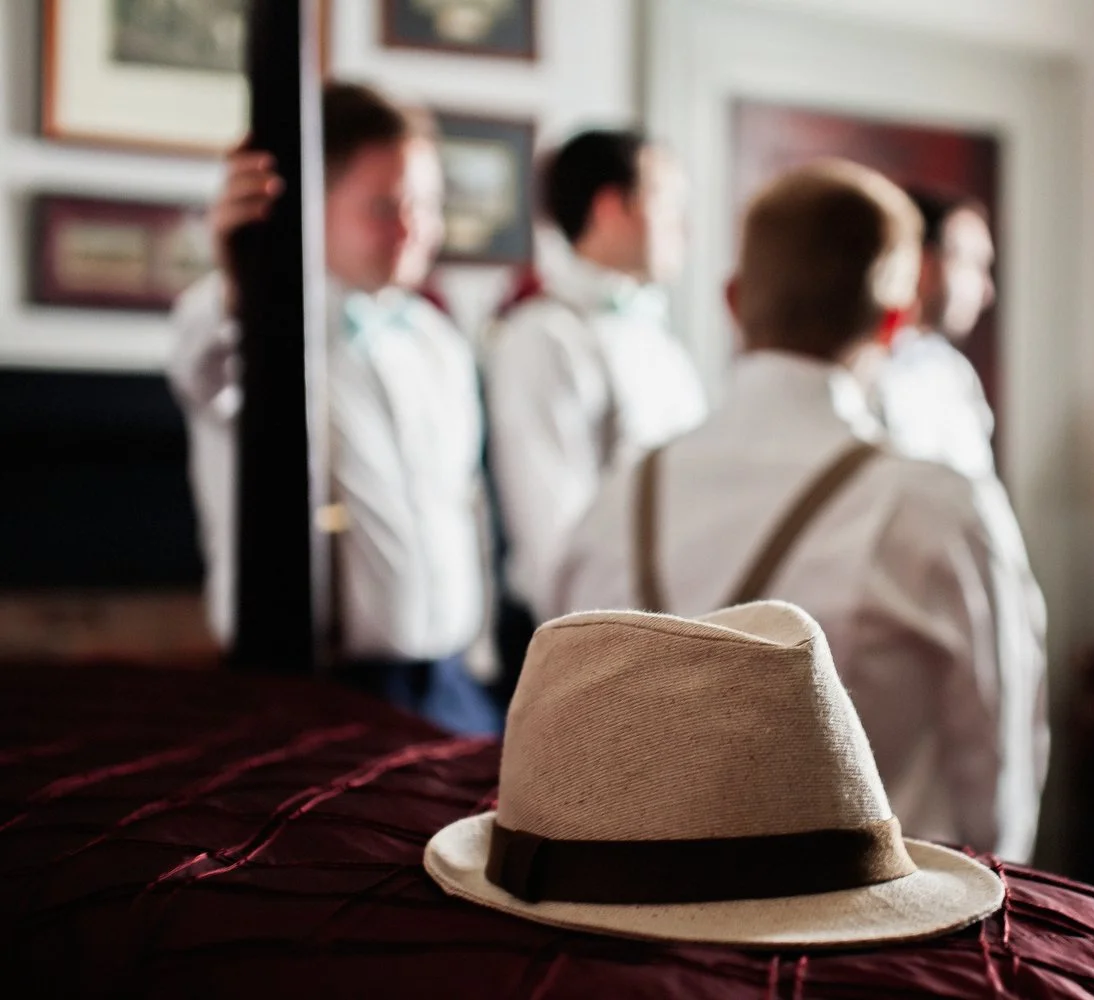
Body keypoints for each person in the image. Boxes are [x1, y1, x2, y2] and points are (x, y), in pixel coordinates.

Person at [549, 161, 1049, 861]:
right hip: (870, 941)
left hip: (637, 926)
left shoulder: (620, 495)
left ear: (733, 299)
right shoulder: (941, 511)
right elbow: (997, 761)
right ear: (895, 319)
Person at [167, 82, 499, 735]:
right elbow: (205, 370)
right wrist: (246, 281)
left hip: (454, 685)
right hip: (323, 693)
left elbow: (464, 502)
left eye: (426, 206)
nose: (412, 230)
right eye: (383, 206)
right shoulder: (243, 323)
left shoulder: (437, 339)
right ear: (309, 207)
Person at [483, 129, 707, 615]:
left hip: (675, 620)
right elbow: (550, 531)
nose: (684, 229)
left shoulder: (661, 341)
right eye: (669, 204)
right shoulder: (543, 337)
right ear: (611, 207)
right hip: (592, 631)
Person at [868, 188, 997, 480]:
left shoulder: (953, 373)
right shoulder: (865, 376)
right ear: (923, 264)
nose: (987, 291)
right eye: (973, 263)